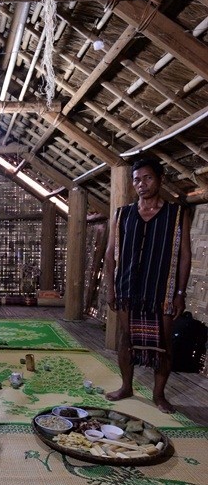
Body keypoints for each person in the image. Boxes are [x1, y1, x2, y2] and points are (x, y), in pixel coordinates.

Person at [103, 156, 191, 413]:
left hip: (160, 291)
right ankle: (126, 386)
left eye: (147, 178)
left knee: (164, 343)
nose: (141, 184)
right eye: (136, 179)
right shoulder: (123, 215)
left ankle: (159, 394)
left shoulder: (176, 214)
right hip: (128, 289)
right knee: (126, 339)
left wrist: (180, 293)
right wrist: (111, 288)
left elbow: (185, 255)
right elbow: (110, 254)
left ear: (160, 179)